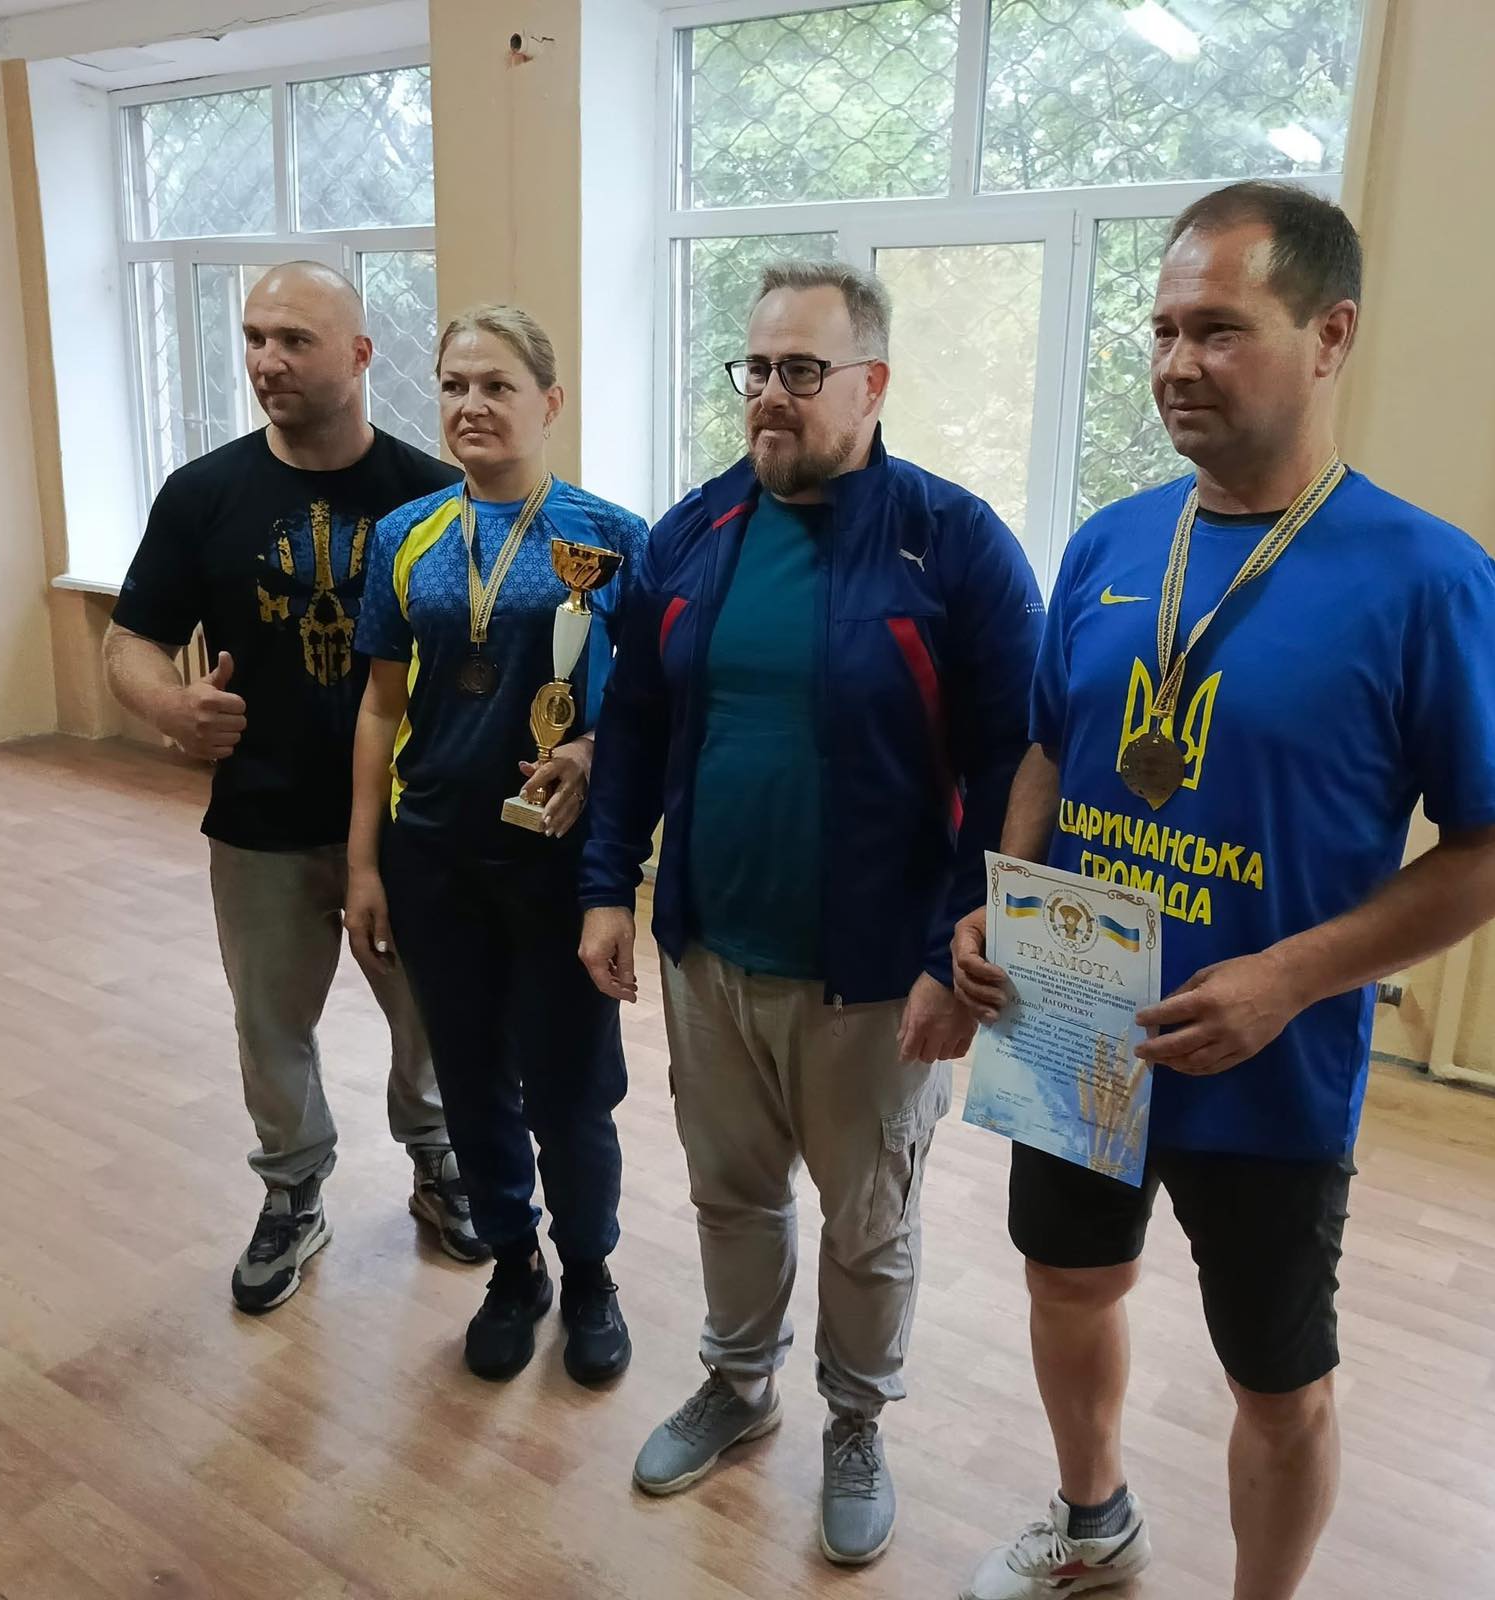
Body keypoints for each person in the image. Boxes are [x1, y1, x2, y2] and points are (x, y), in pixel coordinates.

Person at [952, 182, 1495, 1600]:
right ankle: (1092, 1517)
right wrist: (1007, 897)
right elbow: (1050, 746)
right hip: (1078, 1025)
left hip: (1270, 1062)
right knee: (1067, 1283)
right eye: (1162, 329)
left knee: (1276, 1380)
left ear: (1330, 335)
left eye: (1219, 329)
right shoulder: (1108, 544)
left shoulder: (1426, 577)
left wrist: (1288, 979)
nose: (1176, 363)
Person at [579, 260, 1044, 1565]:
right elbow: (633, 728)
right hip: (709, 951)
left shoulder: (954, 544)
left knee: (869, 1221)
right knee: (731, 1195)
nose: (769, 396)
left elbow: (1010, 765)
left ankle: (855, 1419)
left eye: (801, 371)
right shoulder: (691, 533)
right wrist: (607, 885)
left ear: (871, 384)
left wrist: (959, 951)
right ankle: (738, 1383)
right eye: (756, 369)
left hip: (877, 978)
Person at [105, 262, 483, 1316]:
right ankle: (293, 1189)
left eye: (294, 340)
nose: (266, 360)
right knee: (270, 1026)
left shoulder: (431, 496)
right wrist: (170, 707)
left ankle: (439, 1159)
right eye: (254, 337)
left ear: (359, 355)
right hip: (261, 820)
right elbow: (130, 641)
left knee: (431, 1012)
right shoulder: (202, 495)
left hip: (407, 825)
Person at [347, 305, 645, 1387]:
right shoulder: (406, 536)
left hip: (560, 863)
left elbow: (652, 703)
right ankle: (514, 1268)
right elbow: (380, 708)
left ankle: (591, 1271)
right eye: (455, 385)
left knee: (571, 1087)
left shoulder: (613, 537)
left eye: (497, 385)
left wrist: (592, 752)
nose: (471, 405)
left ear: (548, 403)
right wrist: (363, 864)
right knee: (470, 1079)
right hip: (434, 857)